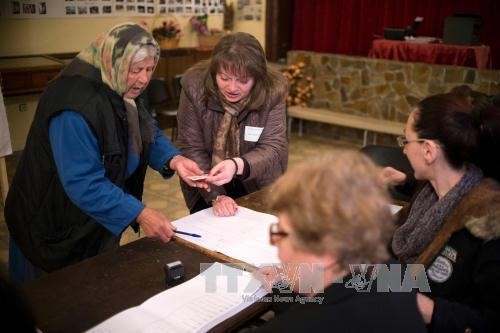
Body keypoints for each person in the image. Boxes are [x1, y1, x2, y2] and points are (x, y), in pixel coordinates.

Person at [4, 23, 208, 283]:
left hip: (87, 221)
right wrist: (141, 213)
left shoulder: (123, 84)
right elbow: (83, 182)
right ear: (115, 62)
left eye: (149, 69)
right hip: (47, 224)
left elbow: (146, 130)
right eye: (136, 70)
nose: (144, 79)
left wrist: (174, 159)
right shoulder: (74, 107)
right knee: (47, 305)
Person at [254, 151, 426, 332]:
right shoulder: (394, 276)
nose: (275, 244)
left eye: (281, 234)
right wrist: (283, 288)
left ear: (327, 253)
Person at [386, 93, 500, 332]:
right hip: (397, 288)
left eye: (405, 141)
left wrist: (430, 309)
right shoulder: (428, 194)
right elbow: (406, 270)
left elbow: (490, 319)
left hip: (414, 315)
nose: (404, 151)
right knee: (296, 282)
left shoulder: (486, 223)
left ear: (428, 150)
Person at [177, 32, 288, 216]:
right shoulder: (194, 86)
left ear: (257, 77)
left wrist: (237, 165)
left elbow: (273, 147)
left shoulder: (272, 90)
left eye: (243, 80)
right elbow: (192, 147)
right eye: (225, 78)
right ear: (215, 72)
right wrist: (217, 196)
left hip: (258, 182)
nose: (232, 88)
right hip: (206, 183)